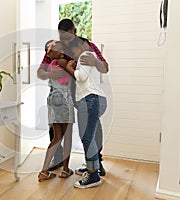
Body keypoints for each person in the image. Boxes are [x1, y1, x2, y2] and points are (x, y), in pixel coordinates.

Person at [57, 19, 108, 177]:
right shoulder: (60, 47)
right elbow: (48, 64)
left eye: (67, 36)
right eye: (62, 37)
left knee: (91, 134)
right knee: (71, 131)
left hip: (88, 96)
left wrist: (95, 61)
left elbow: (105, 67)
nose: (65, 40)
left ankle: (96, 165)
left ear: (74, 31)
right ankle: (62, 161)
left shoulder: (86, 47)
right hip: (72, 96)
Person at [63, 44, 107, 188]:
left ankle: (93, 175)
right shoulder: (89, 57)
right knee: (90, 137)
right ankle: (92, 168)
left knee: (87, 137)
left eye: (72, 50)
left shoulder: (84, 56)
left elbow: (81, 77)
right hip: (94, 100)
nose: (72, 53)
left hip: (90, 100)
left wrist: (69, 68)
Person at [37, 40, 75, 181]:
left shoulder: (51, 65)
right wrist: (72, 66)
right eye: (58, 49)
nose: (61, 51)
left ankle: (44, 171)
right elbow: (75, 74)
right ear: (50, 52)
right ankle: (65, 170)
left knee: (56, 137)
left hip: (52, 99)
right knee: (68, 136)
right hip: (64, 99)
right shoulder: (61, 62)